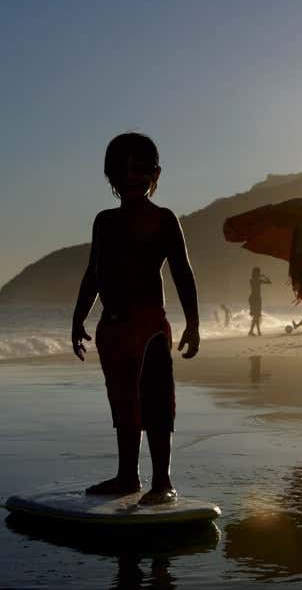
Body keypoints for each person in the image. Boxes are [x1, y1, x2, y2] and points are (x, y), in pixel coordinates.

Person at [71, 132, 199, 505]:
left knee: (156, 402)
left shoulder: (164, 220)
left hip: (150, 327)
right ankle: (128, 475)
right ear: (111, 175)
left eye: (140, 168)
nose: (131, 176)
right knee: (123, 402)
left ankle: (163, 481)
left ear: (154, 173)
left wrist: (193, 322)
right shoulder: (104, 222)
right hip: (112, 326)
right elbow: (93, 273)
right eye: (123, 169)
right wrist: (78, 317)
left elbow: (182, 273)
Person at [247, 267, 271, 336]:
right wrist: (261, 277)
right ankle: (252, 331)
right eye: (257, 272)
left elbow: (269, 282)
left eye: (259, 272)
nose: (258, 273)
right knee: (256, 316)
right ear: (254, 273)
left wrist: (264, 276)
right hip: (254, 298)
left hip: (257, 298)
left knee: (256, 316)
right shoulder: (253, 280)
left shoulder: (258, 280)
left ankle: (257, 331)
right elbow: (267, 281)